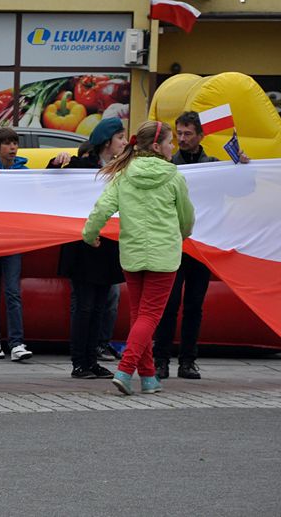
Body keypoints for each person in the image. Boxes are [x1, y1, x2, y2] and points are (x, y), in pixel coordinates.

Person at [82, 120, 195, 395]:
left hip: (132, 253)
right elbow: (186, 218)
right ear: (157, 146)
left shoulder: (124, 173)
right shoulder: (173, 176)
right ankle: (126, 369)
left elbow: (102, 208)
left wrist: (89, 234)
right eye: (170, 141)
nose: (173, 146)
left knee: (139, 317)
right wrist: (181, 234)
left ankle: (148, 377)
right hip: (163, 255)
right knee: (149, 317)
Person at [153, 111, 247, 380]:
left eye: (187, 134)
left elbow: (244, 189)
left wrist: (242, 166)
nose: (182, 139)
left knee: (194, 305)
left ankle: (188, 361)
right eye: (179, 134)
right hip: (174, 243)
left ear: (200, 135)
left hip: (203, 246)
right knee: (168, 304)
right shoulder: (169, 164)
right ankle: (161, 360)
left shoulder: (214, 165)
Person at [55, 117, 127, 379]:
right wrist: (56, 161)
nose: (124, 142)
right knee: (83, 307)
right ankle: (79, 362)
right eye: (120, 138)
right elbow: (54, 176)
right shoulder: (82, 166)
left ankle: (93, 359)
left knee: (100, 307)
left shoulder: (122, 169)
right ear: (107, 142)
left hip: (107, 248)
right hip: (83, 250)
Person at [0, 128, 33, 361]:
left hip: (14, 239)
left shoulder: (25, 172)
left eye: (15, 143)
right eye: (7, 144)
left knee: (13, 292)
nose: (12, 148)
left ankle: (17, 343)